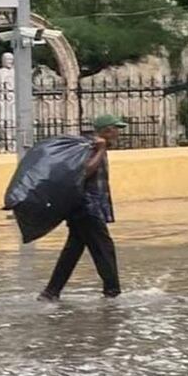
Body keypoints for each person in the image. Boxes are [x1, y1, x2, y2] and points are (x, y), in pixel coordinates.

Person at [38, 114, 126, 301]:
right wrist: (100, 150)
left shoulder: (96, 146)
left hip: (85, 208)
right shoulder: (90, 147)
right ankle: (112, 292)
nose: (118, 133)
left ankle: (51, 292)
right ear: (107, 130)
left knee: (73, 251)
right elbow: (84, 171)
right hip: (86, 207)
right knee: (104, 248)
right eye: (116, 129)